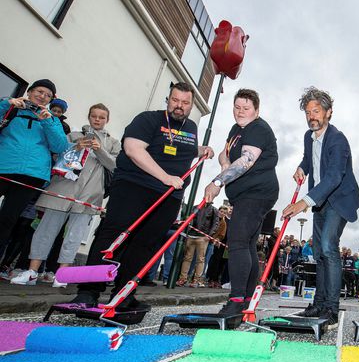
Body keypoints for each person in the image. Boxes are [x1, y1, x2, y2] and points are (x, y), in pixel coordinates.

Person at [68, 82, 213, 311]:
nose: (179, 106)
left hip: (169, 196)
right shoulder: (148, 119)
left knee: (146, 244)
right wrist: (165, 176)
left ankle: (124, 294)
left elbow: (178, 146)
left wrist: (201, 149)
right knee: (112, 235)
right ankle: (88, 292)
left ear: (191, 105)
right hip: (135, 185)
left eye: (185, 103)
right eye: (175, 100)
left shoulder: (191, 127)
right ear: (168, 99)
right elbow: (133, 148)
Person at [12, 104, 121, 287]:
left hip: (89, 195)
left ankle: (62, 275)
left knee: (74, 236)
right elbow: (58, 155)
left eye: (101, 117)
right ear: (88, 117)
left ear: (107, 120)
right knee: (45, 230)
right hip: (63, 190)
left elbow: (115, 166)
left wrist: (99, 149)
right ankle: (32, 271)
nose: (97, 119)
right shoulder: (73, 136)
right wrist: (76, 147)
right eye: (94, 116)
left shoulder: (113, 143)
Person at [281, 87, 359, 326]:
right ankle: (319, 304)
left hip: (339, 198)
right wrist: (301, 168)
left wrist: (302, 203)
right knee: (319, 254)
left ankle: (332, 310)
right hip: (320, 201)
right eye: (308, 112)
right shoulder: (309, 136)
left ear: (329, 113)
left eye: (316, 111)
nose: (311, 116)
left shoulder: (338, 139)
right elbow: (309, 158)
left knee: (328, 246)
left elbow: (335, 176)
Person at [203, 89, 279, 315]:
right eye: (237, 107)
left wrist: (217, 181)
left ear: (256, 110)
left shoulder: (258, 129)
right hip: (243, 193)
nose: (240, 112)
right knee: (246, 245)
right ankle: (246, 299)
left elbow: (246, 160)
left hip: (257, 192)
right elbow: (225, 154)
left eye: (246, 108)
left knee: (236, 242)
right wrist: (225, 162)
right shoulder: (236, 129)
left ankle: (236, 300)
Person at [0, 79, 69, 256]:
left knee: (8, 220)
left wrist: (47, 122)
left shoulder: (52, 120)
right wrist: (6, 104)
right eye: (39, 91)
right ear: (29, 92)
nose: (42, 96)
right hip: (4, 167)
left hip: (32, 174)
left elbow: (60, 147)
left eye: (48, 95)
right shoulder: (12, 108)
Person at [176, 201, 219, 287]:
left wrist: (209, 235)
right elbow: (189, 219)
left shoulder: (214, 210)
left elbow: (215, 223)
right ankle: (183, 279)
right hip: (191, 235)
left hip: (203, 237)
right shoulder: (195, 207)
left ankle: (196, 280)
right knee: (187, 258)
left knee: (200, 259)